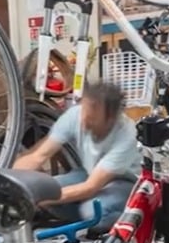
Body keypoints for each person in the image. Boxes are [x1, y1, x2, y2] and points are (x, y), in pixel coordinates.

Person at [12, 81, 139, 231]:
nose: (84, 121)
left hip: (124, 182)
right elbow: (39, 155)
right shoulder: (76, 115)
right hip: (89, 173)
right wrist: (12, 183)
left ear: (110, 119)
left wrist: (40, 200)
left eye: (92, 118)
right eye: (84, 112)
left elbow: (90, 187)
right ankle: (81, 221)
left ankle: (134, 220)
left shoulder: (127, 135)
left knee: (92, 213)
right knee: (47, 187)